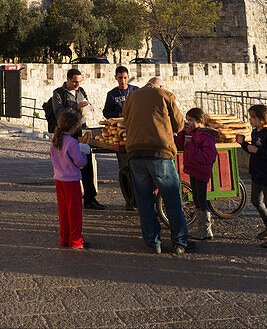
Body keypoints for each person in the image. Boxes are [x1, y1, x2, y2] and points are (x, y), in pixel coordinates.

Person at [122, 76, 188, 254]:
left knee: (144, 200)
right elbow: (179, 125)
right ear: (161, 85)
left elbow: (125, 122)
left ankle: (153, 242)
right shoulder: (165, 94)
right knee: (172, 199)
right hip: (160, 152)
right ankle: (180, 242)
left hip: (135, 153)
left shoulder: (131, 97)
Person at [50, 69, 104, 210]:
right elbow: (59, 113)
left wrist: (88, 109)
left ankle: (90, 198)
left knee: (87, 165)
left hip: (81, 130)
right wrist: (75, 107)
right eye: (74, 81)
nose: (77, 84)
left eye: (79, 81)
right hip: (67, 133)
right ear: (67, 80)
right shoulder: (58, 94)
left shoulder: (81, 91)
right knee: (68, 165)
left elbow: (85, 105)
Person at [237, 104, 267, 248]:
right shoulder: (255, 133)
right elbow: (253, 150)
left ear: (262, 118)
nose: (250, 120)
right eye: (250, 117)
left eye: (253, 117)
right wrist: (243, 144)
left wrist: (257, 150)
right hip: (257, 173)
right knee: (255, 201)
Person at [175, 107, 219, 241]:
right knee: (197, 199)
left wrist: (190, 146)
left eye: (191, 120)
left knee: (201, 199)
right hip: (193, 169)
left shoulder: (206, 136)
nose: (188, 123)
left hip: (201, 171)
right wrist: (182, 134)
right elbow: (181, 145)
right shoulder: (193, 133)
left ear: (200, 120)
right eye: (187, 121)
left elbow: (207, 156)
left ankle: (206, 229)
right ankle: (202, 228)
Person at [50, 109, 88, 249]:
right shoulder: (72, 143)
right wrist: (85, 158)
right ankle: (75, 240)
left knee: (63, 211)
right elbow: (79, 162)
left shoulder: (55, 142)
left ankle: (64, 238)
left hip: (59, 180)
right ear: (73, 127)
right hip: (71, 181)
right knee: (75, 211)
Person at [104, 66, 140, 210]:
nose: (123, 80)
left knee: (137, 170)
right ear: (116, 77)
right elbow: (106, 112)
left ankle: (139, 199)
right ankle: (129, 199)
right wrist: (117, 116)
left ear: (128, 77)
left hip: (135, 133)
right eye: (120, 78)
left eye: (125, 78)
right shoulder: (112, 94)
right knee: (124, 170)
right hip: (120, 135)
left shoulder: (136, 91)